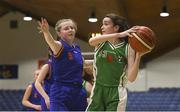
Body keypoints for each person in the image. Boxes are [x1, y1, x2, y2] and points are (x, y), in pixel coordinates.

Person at [86, 13, 147, 111]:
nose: (102, 27)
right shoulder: (101, 42)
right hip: (98, 89)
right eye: (102, 24)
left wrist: (138, 57)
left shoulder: (128, 47)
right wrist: (119, 34)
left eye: (106, 24)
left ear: (116, 27)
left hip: (116, 92)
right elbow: (91, 41)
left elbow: (131, 78)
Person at [37, 18, 87, 111]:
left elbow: (84, 63)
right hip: (62, 91)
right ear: (59, 33)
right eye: (66, 28)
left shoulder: (77, 48)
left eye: (72, 27)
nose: (70, 30)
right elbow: (51, 42)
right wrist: (46, 32)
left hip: (78, 91)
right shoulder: (59, 45)